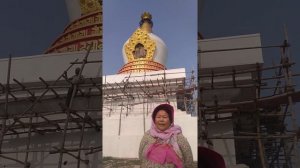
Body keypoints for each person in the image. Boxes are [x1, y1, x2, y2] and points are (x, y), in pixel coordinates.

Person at [139, 104, 193, 168]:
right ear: (154, 120)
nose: (161, 120)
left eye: (165, 117)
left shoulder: (178, 137)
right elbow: (141, 154)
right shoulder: (148, 135)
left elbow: (188, 159)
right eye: (158, 117)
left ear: (170, 120)